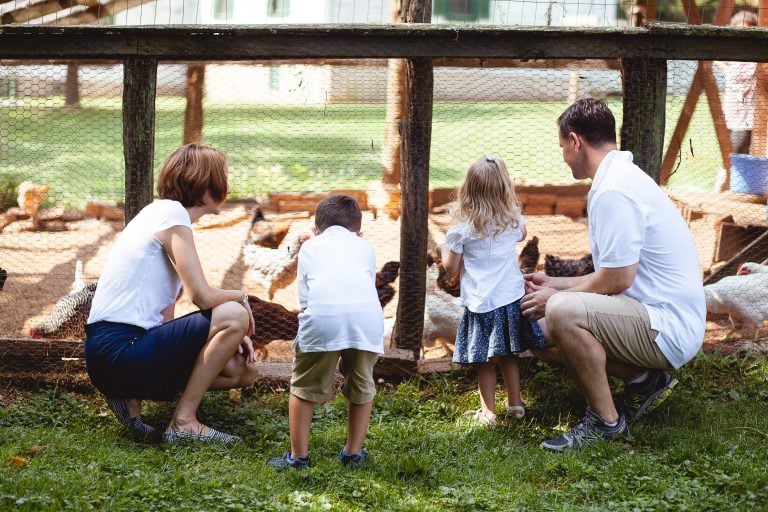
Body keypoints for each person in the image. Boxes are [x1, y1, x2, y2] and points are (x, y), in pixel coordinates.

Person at [521, 98, 706, 451]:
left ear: (575, 141)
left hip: (668, 325)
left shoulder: (613, 190)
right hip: (651, 314)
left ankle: (605, 423)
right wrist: (555, 283)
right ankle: (645, 381)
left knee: (561, 312)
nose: (563, 155)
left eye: (562, 146)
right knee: (540, 331)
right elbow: (614, 274)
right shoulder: (619, 177)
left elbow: (618, 279)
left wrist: (557, 298)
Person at [85, 143, 259, 443]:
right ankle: (183, 422)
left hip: (115, 354)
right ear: (206, 186)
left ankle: (128, 396)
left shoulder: (160, 216)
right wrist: (240, 298)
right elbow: (202, 297)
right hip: (119, 348)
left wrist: (223, 336)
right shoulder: (170, 214)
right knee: (234, 314)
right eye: (223, 176)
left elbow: (165, 322)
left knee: (241, 371)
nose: (227, 185)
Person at [268, 194, 384, 470]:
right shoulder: (365, 246)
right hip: (366, 322)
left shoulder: (309, 248)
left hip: (323, 319)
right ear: (359, 231)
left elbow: (305, 301)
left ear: (315, 231)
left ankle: (298, 457)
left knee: (304, 387)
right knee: (362, 385)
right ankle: (353, 453)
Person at [438, 155, 547, 426]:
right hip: (509, 300)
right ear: (505, 190)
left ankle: (488, 412)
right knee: (508, 355)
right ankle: (516, 404)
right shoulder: (513, 223)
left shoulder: (461, 232)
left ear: (468, 191)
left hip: (480, 303)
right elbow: (522, 234)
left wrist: (444, 247)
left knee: (484, 360)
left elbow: (450, 268)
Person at [714, 11, 759, 191]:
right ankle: (729, 190)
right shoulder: (733, 55)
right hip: (731, 113)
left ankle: (720, 191)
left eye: (747, 30)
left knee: (734, 154)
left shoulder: (756, 58)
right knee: (734, 155)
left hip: (747, 117)